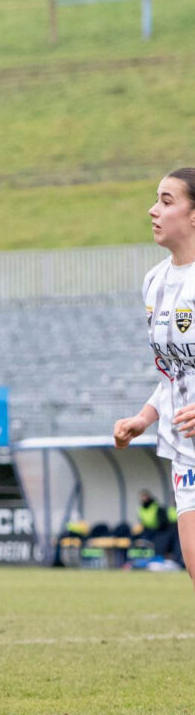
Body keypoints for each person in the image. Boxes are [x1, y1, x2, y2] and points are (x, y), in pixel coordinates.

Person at [113, 168, 195, 596]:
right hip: (186, 449)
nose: (153, 209)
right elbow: (174, 371)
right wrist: (144, 418)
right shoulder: (155, 281)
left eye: (166, 201)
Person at [134, 489, 169, 554]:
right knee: (136, 539)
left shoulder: (157, 507)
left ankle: (153, 556)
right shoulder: (141, 509)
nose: (143, 499)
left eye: (144, 497)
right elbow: (142, 522)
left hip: (158, 531)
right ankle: (138, 557)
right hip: (147, 531)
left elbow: (163, 523)